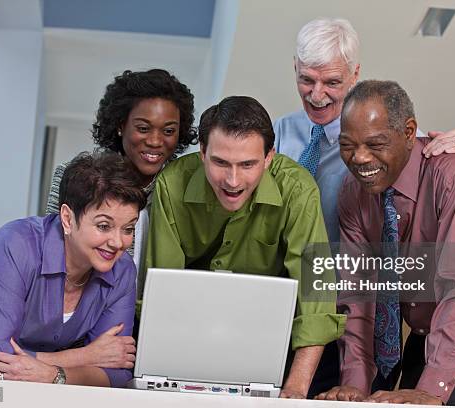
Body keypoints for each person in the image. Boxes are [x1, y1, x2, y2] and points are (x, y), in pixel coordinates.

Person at [273, 17, 455, 396]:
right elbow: (356, 289)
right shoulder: (288, 140)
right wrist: (354, 387)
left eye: (331, 82)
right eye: (306, 80)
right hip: (335, 313)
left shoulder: (426, 158)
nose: (317, 95)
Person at [317, 80, 455, 406]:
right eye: (347, 145)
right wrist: (354, 384)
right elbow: (357, 297)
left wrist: (432, 388)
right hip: (424, 338)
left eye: (375, 143)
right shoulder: (353, 194)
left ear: (409, 132)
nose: (359, 158)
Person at [146, 95, 345, 399]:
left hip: (271, 340)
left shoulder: (299, 190)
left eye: (248, 164)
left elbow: (315, 297)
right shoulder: (171, 185)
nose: (233, 180)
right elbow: (162, 295)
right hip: (188, 333)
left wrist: (295, 389)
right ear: (202, 153)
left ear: (269, 158)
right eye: (221, 162)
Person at [0, 152, 148, 387]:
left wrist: (53, 374)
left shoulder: (121, 271)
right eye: (103, 226)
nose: (118, 242)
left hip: (29, 382)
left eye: (128, 229)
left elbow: (117, 374)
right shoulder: (16, 244)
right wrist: (84, 356)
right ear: (68, 219)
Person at [46, 68, 198, 293]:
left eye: (168, 131)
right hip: (89, 309)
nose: (155, 141)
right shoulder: (74, 177)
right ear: (120, 125)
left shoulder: (183, 189)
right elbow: (54, 250)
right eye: (143, 128)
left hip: (158, 310)